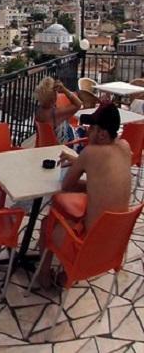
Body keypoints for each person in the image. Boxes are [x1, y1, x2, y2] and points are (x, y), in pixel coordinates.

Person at [38, 102, 132, 288]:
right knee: (76, 210)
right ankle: (66, 275)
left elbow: (67, 186)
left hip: (86, 246)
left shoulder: (90, 153)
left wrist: (81, 161)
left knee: (47, 222)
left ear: (102, 134)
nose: (88, 131)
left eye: (92, 128)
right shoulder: (125, 146)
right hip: (113, 246)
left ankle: (43, 277)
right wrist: (79, 161)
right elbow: (106, 180)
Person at [35, 77, 82, 144]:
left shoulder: (39, 111)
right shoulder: (55, 113)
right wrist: (65, 90)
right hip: (66, 145)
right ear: (54, 98)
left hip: (45, 144)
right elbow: (78, 104)